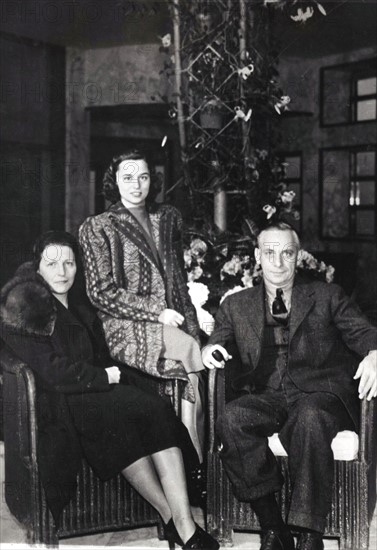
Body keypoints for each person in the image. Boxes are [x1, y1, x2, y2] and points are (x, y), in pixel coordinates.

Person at [0, 231, 219, 550]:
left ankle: (175, 520)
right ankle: (182, 524)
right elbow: (50, 371)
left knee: (144, 413)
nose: (62, 272)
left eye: (69, 263)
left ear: (78, 267)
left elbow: (100, 354)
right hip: (59, 403)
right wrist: (104, 377)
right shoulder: (27, 307)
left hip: (92, 396)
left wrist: (113, 375)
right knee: (151, 410)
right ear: (38, 268)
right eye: (52, 264)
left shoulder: (76, 304)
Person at [202, 220, 377, 550]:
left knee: (309, 417)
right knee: (232, 418)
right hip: (267, 396)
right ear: (257, 256)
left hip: (319, 395)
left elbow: (365, 332)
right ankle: (273, 527)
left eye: (286, 253)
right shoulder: (236, 305)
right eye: (270, 253)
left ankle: (310, 534)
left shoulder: (327, 296)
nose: (278, 262)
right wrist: (209, 349)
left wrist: (375, 353)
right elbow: (217, 341)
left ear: (298, 256)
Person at [78, 150, 205, 463]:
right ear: (115, 181)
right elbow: (100, 292)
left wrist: (192, 326)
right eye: (128, 177)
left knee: (197, 376)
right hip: (123, 326)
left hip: (172, 322)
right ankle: (195, 465)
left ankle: (196, 462)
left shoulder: (169, 218)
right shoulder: (98, 226)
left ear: (153, 179)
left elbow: (178, 282)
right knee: (190, 355)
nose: (137, 184)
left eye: (144, 177)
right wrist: (155, 312)